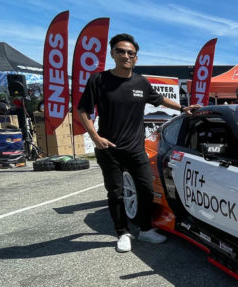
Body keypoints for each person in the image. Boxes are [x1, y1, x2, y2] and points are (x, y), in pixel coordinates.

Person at [77, 33, 200, 253]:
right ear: (112, 53)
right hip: (109, 148)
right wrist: (95, 137)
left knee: (146, 189)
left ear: (136, 57)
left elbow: (159, 99)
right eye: (121, 51)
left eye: (130, 53)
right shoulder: (98, 80)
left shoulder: (141, 82)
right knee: (116, 192)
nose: (126, 55)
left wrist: (183, 108)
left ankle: (144, 230)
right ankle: (122, 232)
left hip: (135, 148)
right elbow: (83, 110)